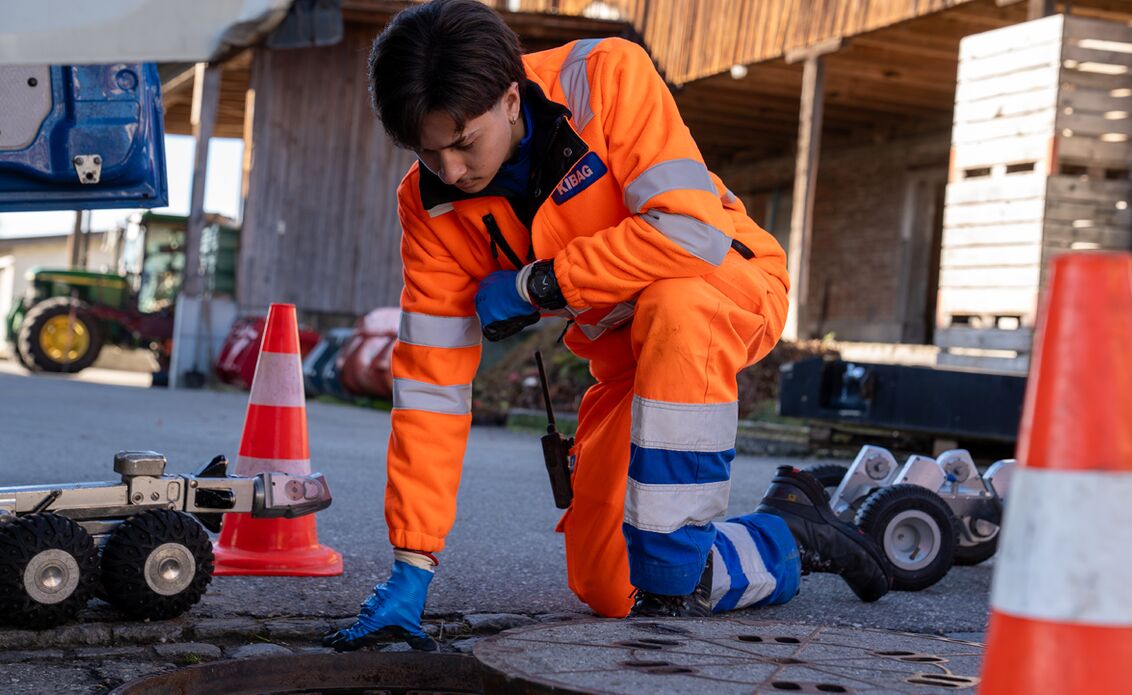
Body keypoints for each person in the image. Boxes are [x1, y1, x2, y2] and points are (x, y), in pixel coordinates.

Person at [324, 0, 890, 652]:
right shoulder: (429, 209)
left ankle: (673, 588)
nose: (450, 171)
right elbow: (431, 385)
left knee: (675, 306)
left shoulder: (607, 78)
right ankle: (788, 534)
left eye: (462, 144)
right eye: (426, 152)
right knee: (607, 583)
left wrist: (542, 283)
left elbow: (690, 233)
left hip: (727, 289)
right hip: (629, 359)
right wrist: (413, 557)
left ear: (511, 100)